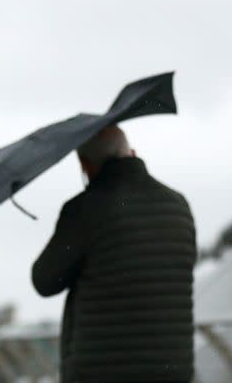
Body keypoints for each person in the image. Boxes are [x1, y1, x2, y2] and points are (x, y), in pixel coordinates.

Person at [32, 125, 196, 383]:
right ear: (132, 152)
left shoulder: (84, 209)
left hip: (102, 372)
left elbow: (45, 280)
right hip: (173, 370)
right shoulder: (178, 205)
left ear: (85, 165)